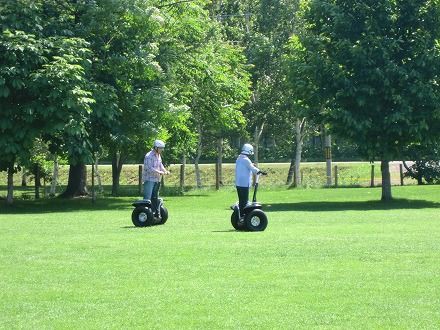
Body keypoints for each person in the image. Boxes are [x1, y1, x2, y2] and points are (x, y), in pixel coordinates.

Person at [143, 139, 169, 216]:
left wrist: (165, 170)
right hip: (149, 179)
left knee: (155, 198)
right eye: (160, 148)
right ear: (156, 147)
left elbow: (160, 165)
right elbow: (148, 168)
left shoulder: (158, 155)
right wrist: (159, 172)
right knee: (148, 198)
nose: (162, 150)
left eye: (162, 148)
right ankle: (145, 214)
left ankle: (154, 214)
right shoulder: (149, 156)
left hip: (157, 180)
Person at [235, 143, 261, 217]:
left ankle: (240, 216)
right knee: (245, 201)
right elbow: (253, 169)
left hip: (238, 183)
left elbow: (248, 166)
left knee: (241, 201)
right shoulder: (246, 160)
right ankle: (244, 216)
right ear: (249, 151)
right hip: (244, 183)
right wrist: (259, 171)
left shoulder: (239, 158)